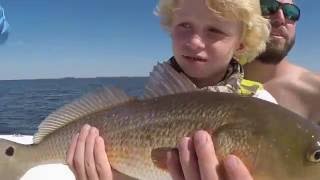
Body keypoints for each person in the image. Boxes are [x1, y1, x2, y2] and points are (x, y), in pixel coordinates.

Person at [67, 0, 271, 179]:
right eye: (185, 25)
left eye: (214, 31)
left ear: (241, 44)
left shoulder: (263, 105)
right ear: (171, 27)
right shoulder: (150, 102)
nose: (194, 42)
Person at [244, 0, 320, 123]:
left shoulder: (315, 93)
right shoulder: (210, 79)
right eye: (268, 7)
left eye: (290, 12)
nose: (280, 18)